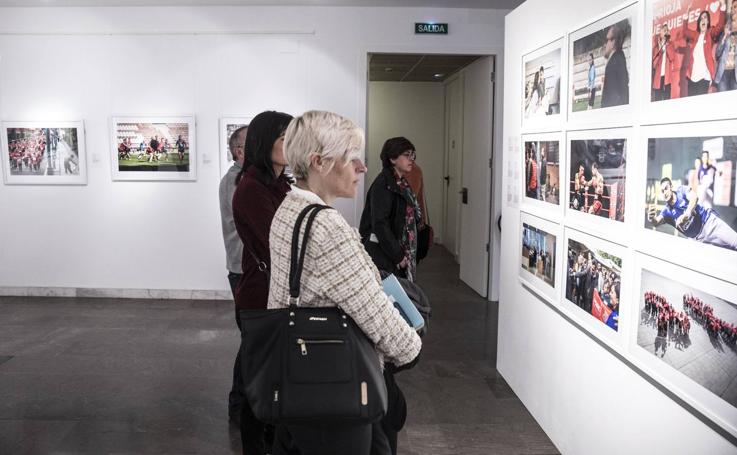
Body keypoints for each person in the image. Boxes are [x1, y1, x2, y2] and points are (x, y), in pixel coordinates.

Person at [269, 110, 422, 455]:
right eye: (351, 158)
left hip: (298, 373)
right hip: (333, 385)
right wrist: (410, 347)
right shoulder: (326, 227)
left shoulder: (288, 208)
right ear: (318, 162)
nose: (362, 167)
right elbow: (372, 309)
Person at [232, 110, 293, 455]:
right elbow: (280, 244)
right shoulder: (252, 188)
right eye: (284, 137)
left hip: (275, 297)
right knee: (259, 387)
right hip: (260, 299)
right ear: (263, 141)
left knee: (275, 383)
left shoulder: (280, 184)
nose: (291, 144)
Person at [218, 125, 248, 424]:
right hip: (243, 270)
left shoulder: (245, 179)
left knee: (253, 338)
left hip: (244, 269)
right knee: (252, 338)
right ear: (239, 151)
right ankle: (239, 406)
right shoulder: (236, 181)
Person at [359, 137, 422, 282]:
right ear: (393, 158)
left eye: (413, 155)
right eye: (406, 155)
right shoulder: (383, 184)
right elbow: (380, 224)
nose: (411, 159)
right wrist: (398, 255)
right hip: (384, 254)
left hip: (394, 251)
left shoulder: (401, 183)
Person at [647, 177, 737, 250]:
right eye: (662, 191)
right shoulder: (666, 211)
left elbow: (694, 198)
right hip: (699, 240)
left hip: (709, 224)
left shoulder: (681, 191)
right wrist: (651, 218)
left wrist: (686, 214)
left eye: (666, 188)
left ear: (671, 186)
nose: (665, 192)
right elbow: (656, 222)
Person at [681, 0, 728, 97]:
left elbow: (720, 26)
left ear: (708, 22)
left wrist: (723, 6)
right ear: (699, 23)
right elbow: (685, 31)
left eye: (705, 18)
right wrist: (686, 14)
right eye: (701, 18)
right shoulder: (695, 35)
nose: (703, 20)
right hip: (692, 77)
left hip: (704, 77)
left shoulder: (710, 33)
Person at [601, 24, 630, 108]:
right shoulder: (620, 57)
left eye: (607, 40)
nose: (604, 45)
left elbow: (612, 100)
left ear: (614, 41)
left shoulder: (613, 64)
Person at [652, 23, 675, 101]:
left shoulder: (670, 44)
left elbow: (672, 57)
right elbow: (654, 65)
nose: (665, 31)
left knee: (667, 99)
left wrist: (667, 43)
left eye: (667, 30)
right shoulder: (656, 48)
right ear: (660, 33)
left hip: (667, 78)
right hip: (658, 79)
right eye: (663, 30)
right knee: (657, 100)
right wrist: (659, 48)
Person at [715, 14, 737, 92]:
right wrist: (724, 36)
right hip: (723, 72)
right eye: (733, 20)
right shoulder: (725, 36)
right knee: (723, 100)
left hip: (735, 74)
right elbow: (717, 53)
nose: (735, 22)